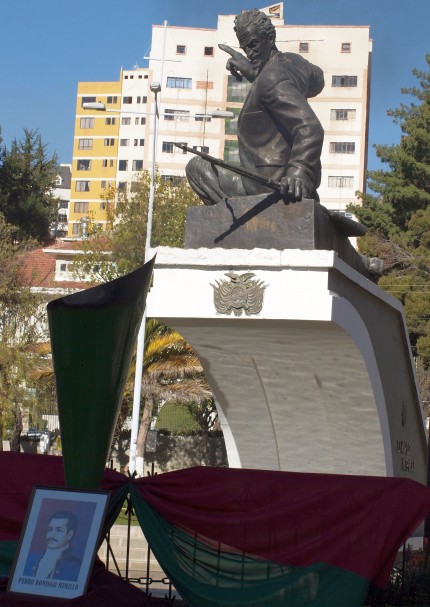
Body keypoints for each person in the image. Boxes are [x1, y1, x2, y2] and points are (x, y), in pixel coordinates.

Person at [185, 9, 325, 205]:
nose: (250, 53)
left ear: (270, 38)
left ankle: (247, 226)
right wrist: (255, 74)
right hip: (279, 177)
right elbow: (318, 79)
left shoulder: (270, 79)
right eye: (245, 48)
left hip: (269, 185)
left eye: (253, 44)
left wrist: (299, 172)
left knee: (197, 168)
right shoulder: (293, 63)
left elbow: (310, 128)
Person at [23, 510, 82, 581]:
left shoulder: (77, 567)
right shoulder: (28, 559)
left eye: (59, 530)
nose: (51, 535)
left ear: (70, 534)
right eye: (50, 529)